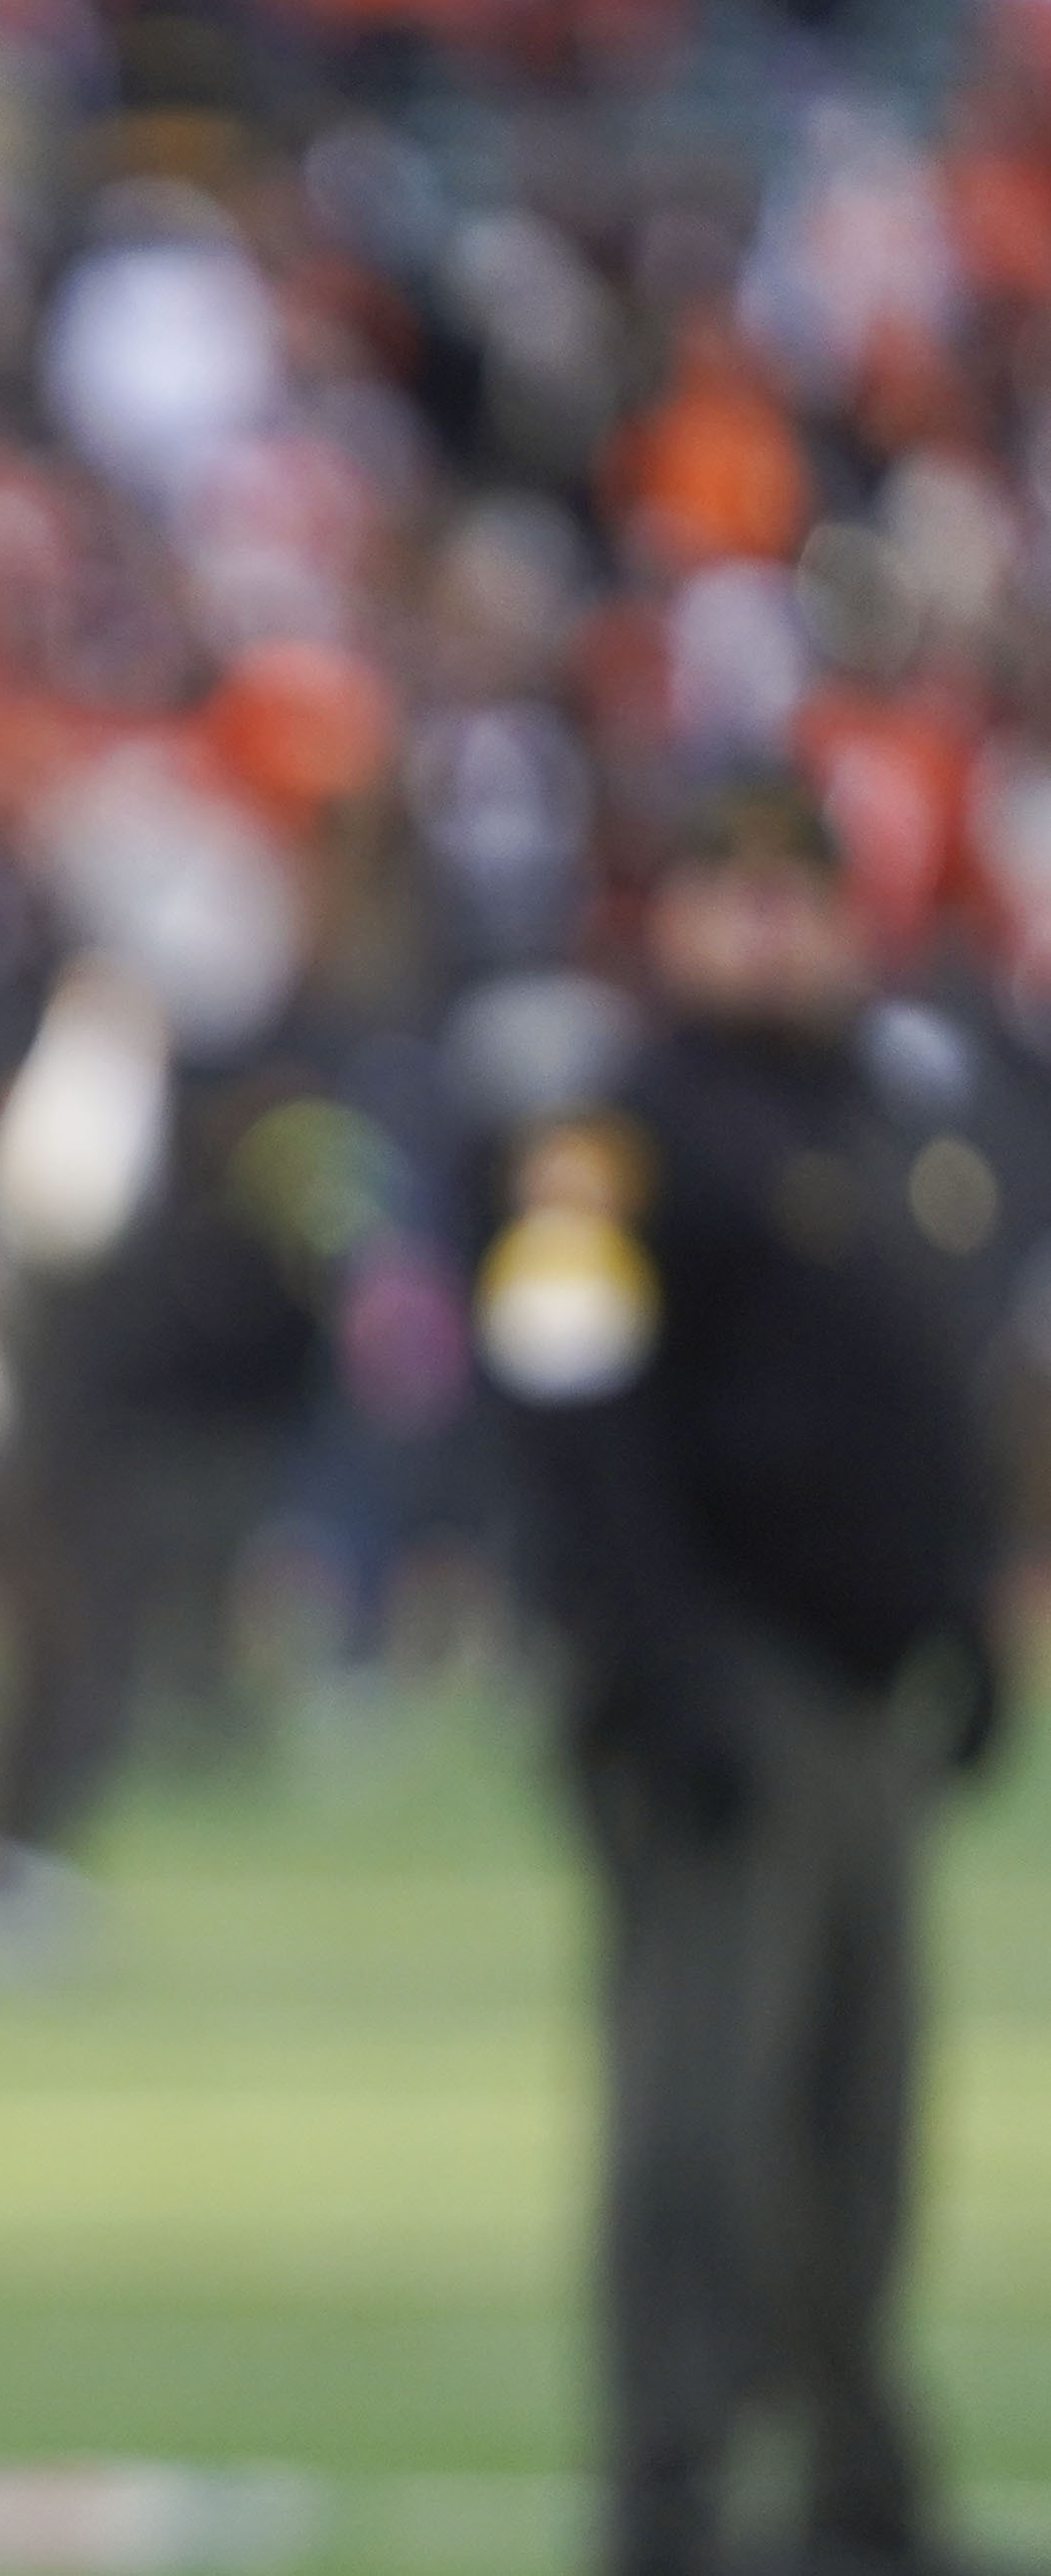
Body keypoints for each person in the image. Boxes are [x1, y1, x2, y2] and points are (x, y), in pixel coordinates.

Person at [478, 783, 1017, 2576]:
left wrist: (964, 1618)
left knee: (857, 2126)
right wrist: (653, 1664)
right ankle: (676, 2493)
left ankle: (855, 2481)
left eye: (800, 890)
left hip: (866, 1687)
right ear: (675, 908)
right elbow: (566, 1404)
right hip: (729, 1681)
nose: (771, 924)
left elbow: (933, 1393)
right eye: (735, 888)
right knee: (702, 2127)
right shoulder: (618, 1130)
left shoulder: (882, 1105)